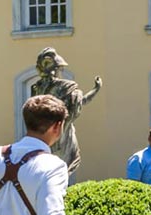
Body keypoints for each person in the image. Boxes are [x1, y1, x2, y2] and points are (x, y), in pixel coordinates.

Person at [29, 46, 102, 175]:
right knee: (62, 169)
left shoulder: (37, 89)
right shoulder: (66, 87)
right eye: (59, 68)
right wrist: (96, 88)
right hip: (62, 135)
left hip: (43, 137)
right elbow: (82, 101)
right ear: (54, 69)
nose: (61, 71)